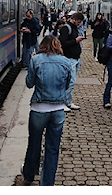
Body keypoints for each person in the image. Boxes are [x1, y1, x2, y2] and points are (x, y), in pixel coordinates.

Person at [22, 35, 71, 186]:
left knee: (34, 144)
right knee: (53, 148)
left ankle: (29, 176)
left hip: (38, 108)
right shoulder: (66, 61)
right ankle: (47, 183)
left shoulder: (36, 60)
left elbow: (29, 84)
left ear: (42, 45)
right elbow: (68, 84)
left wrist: (32, 62)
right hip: (58, 110)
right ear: (58, 45)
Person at [59, 12, 85, 111]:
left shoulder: (74, 28)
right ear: (73, 19)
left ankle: (68, 101)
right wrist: (76, 41)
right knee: (70, 81)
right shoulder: (66, 28)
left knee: (71, 81)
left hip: (75, 58)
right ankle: (64, 102)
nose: (79, 24)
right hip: (69, 58)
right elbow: (63, 43)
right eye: (78, 22)